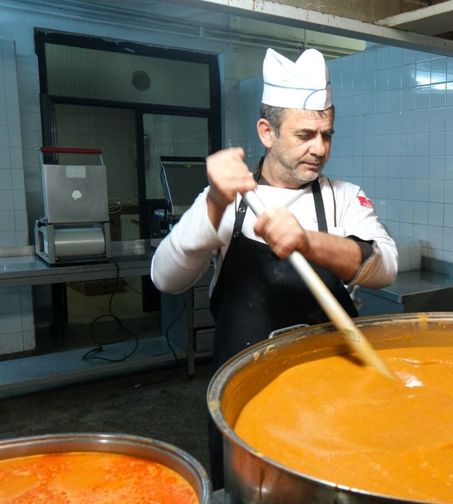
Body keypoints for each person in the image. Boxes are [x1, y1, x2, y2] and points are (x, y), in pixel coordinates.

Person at [150, 47, 397, 488]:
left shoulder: (343, 196)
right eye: (304, 135)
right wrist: (212, 204)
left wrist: (308, 241)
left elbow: (385, 266)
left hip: (335, 398)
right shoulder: (231, 199)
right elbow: (165, 278)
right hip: (247, 398)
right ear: (267, 131)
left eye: (327, 135)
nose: (319, 149)